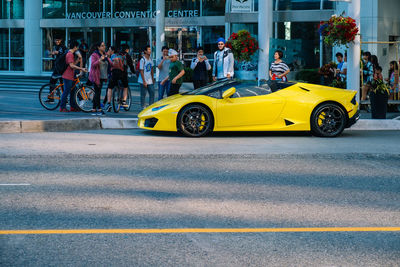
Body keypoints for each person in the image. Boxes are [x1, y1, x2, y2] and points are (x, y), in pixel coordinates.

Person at [59, 40, 87, 112]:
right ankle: (62, 107)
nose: (78, 48)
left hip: (71, 75)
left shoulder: (71, 54)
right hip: (67, 76)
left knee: (73, 91)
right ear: (75, 47)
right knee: (66, 91)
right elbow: (71, 66)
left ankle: (73, 107)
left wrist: (78, 60)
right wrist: (81, 68)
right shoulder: (70, 54)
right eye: (77, 47)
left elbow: (72, 64)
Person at [88, 42, 112, 115]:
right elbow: (93, 65)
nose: (104, 47)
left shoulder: (104, 54)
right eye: (102, 46)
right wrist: (100, 60)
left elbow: (111, 64)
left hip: (102, 76)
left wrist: (108, 58)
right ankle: (99, 109)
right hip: (96, 76)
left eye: (104, 45)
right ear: (98, 47)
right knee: (98, 93)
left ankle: (94, 108)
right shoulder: (94, 55)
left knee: (97, 92)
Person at [104, 46, 130, 112]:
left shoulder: (111, 57)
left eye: (109, 50)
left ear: (112, 51)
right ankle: (124, 101)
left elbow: (108, 67)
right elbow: (125, 66)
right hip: (122, 74)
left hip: (114, 74)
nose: (108, 51)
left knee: (110, 88)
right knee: (125, 87)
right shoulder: (122, 56)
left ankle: (109, 103)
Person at [138, 45, 155, 109]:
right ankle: (143, 107)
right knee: (143, 95)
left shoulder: (151, 59)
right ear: (145, 51)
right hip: (143, 80)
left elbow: (152, 69)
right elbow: (141, 71)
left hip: (150, 80)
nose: (150, 51)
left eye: (150, 49)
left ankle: (151, 107)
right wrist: (144, 81)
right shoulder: (142, 60)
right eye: (148, 49)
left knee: (152, 93)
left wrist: (153, 78)